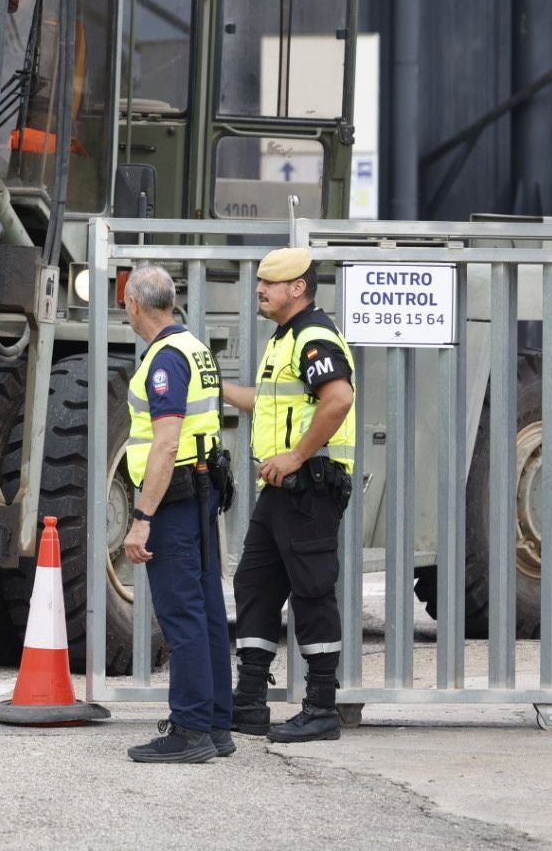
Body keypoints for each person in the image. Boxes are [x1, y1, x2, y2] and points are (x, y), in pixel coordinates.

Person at [221, 246, 357, 744]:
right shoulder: (284, 341)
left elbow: (338, 398)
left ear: (297, 288)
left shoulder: (314, 335)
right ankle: (250, 701)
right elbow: (270, 401)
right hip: (280, 490)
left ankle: (322, 708)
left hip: (309, 487)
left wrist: (296, 456)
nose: (260, 289)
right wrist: (220, 387)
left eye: (269, 283)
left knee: (313, 593)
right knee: (254, 585)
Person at [120, 264, 233, 764]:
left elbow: (165, 445)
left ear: (134, 304)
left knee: (182, 614)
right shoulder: (195, 348)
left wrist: (142, 515)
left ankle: (189, 730)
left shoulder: (165, 360)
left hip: (174, 499)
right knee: (206, 612)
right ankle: (215, 724)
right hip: (202, 493)